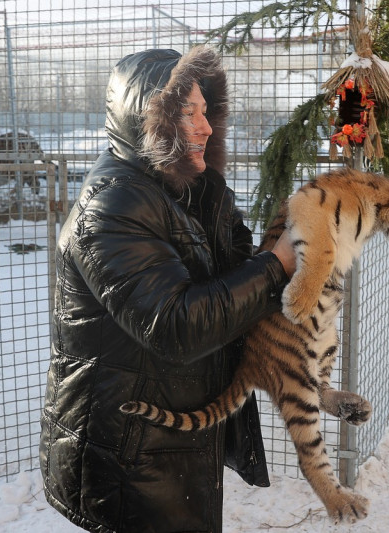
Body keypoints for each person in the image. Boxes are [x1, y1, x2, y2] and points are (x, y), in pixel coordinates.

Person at [39, 46, 296, 533]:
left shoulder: (183, 190)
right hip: (129, 455)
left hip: (166, 437)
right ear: (147, 119)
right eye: (187, 113)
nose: (206, 128)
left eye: (206, 112)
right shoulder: (114, 206)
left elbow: (236, 276)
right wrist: (275, 266)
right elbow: (176, 326)